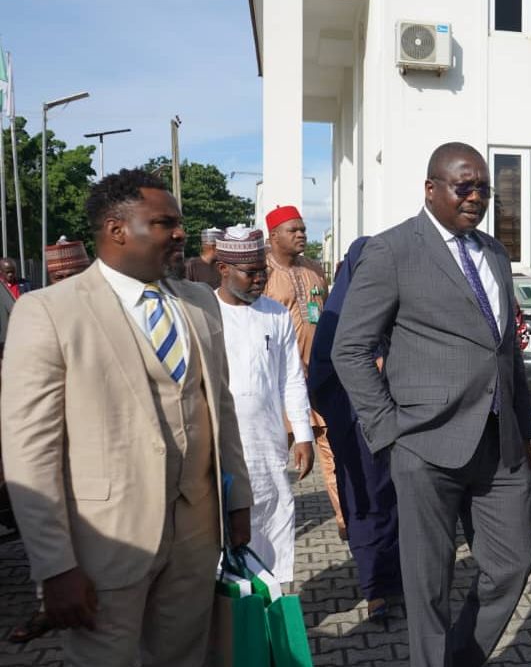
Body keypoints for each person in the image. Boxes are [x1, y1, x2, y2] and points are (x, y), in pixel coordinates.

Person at [0, 169, 252, 666]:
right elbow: (31, 451)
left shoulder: (199, 304)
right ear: (117, 230)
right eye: (164, 223)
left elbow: (220, 405)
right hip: (104, 547)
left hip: (196, 533)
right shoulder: (49, 311)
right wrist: (55, 567)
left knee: (184, 656)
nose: (180, 233)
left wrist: (238, 499)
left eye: (178, 223)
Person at [332, 142, 531, 666]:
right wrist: (389, 431)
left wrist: (524, 431)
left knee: (512, 564)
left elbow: (505, 349)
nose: (475, 197)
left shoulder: (494, 252)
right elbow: (350, 349)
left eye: (483, 189)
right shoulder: (392, 250)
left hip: (499, 446)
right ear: (431, 188)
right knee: (428, 586)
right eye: (463, 186)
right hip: (425, 445)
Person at [308, 235, 403, 623]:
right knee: (365, 503)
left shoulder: (393, 301)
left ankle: (401, 578)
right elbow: (322, 375)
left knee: (399, 502)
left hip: (399, 422)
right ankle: (375, 587)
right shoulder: (336, 316)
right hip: (355, 424)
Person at [6, 237, 94, 644]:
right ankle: (49, 604)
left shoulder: (103, 312)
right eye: (57, 276)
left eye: (71, 275)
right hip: (52, 445)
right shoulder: (38, 311)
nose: (64, 282)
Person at [215, 225, 315, 582]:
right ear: (224, 269)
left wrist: (303, 434)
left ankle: (273, 605)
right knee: (222, 534)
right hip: (221, 448)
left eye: (263, 271)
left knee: (273, 521)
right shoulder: (205, 314)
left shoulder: (275, 314)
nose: (260, 279)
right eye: (250, 272)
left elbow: (290, 377)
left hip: (267, 442)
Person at [263, 205, 345, 537]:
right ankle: (267, 532)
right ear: (273, 236)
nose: (301, 235)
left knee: (334, 454)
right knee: (272, 460)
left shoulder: (314, 270)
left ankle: (345, 522)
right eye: (292, 230)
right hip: (278, 384)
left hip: (318, 379)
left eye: (303, 229)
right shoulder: (261, 271)